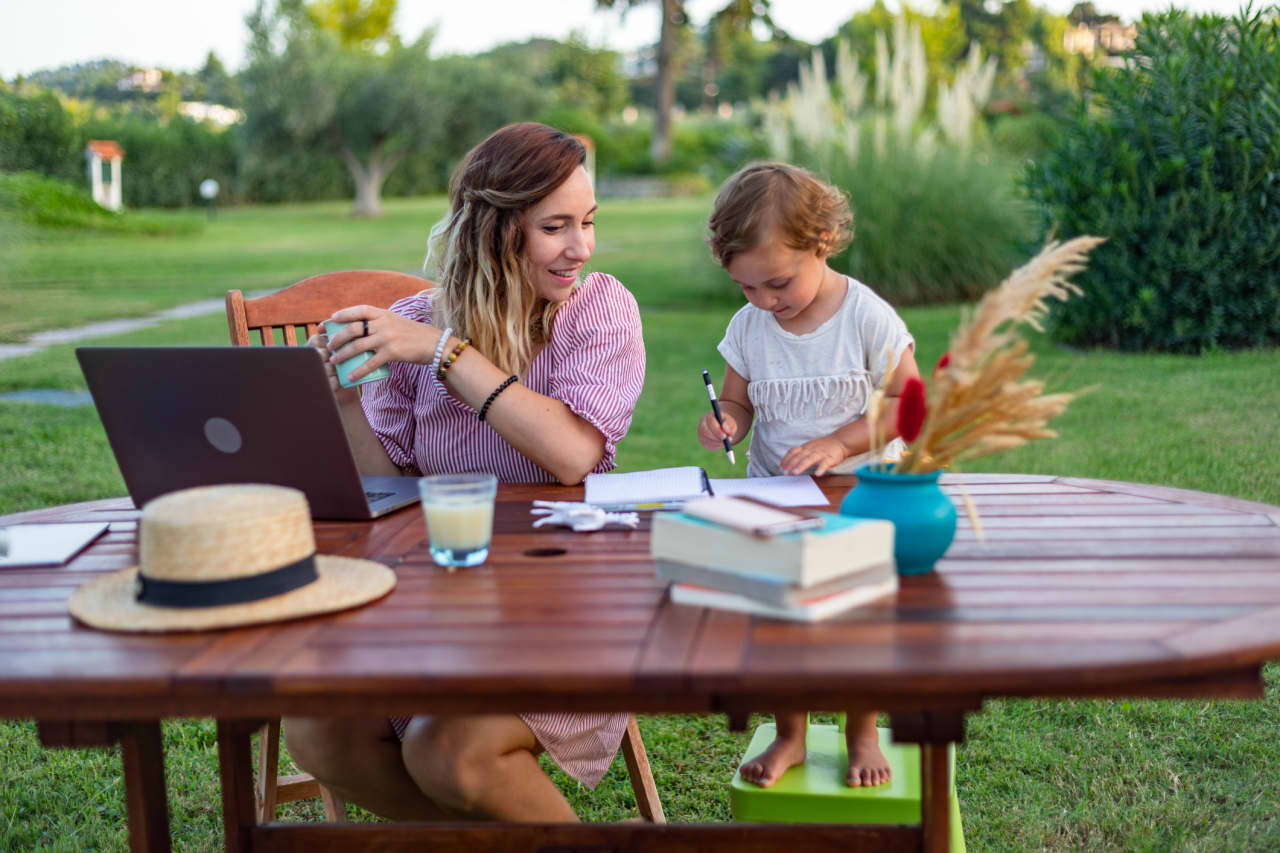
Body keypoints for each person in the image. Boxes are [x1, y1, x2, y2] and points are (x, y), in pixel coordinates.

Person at [284, 123, 645, 822]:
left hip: (563, 606)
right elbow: (390, 486)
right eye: (556, 227)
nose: (582, 247)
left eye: (588, 222)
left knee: (448, 748)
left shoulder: (598, 309)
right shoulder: (414, 320)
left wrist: (447, 353)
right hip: (439, 604)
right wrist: (344, 403)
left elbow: (571, 455)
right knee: (316, 728)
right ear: (495, 230)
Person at [696, 162, 921, 788]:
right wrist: (727, 425)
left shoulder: (864, 317)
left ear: (820, 244)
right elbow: (738, 402)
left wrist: (840, 441)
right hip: (780, 494)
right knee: (783, 616)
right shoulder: (750, 328)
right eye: (747, 290)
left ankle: (862, 733)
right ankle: (791, 734)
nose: (765, 302)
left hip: (861, 494)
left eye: (777, 283)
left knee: (859, 621)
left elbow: (909, 405)